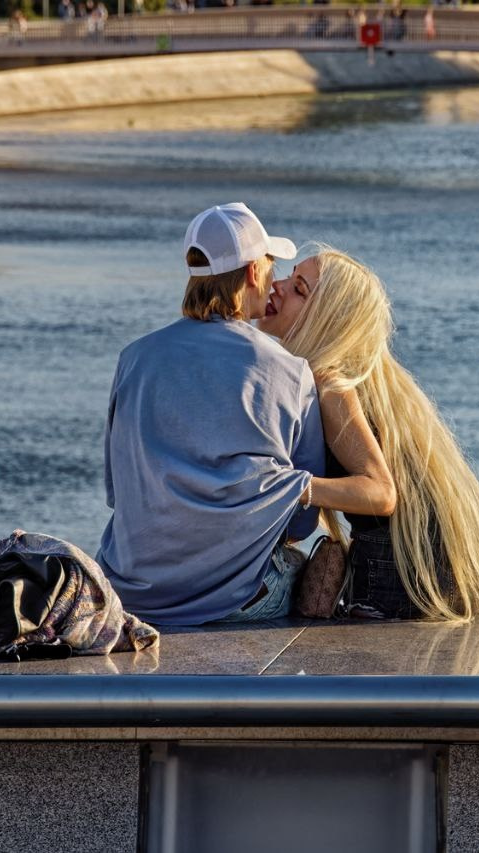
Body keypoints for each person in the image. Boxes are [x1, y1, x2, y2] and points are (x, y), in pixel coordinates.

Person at [96, 203, 326, 626]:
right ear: (254, 271)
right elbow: (301, 521)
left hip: (130, 593)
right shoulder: (290, 372)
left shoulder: (134, 358)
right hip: (236, 600)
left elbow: (117, 489)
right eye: (272, 267)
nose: (275, 281)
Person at [257, 247, 479, 622]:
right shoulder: (366, 380)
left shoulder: (330, 386)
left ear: (324, 319)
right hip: (428, 570)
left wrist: (291, 487)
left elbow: (381, 493)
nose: (275, 287)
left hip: (397, 576)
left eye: (298, 289)